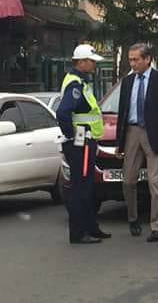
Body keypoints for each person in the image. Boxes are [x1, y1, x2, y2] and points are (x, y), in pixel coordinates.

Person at [116, 43, 158, 243]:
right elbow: (122, 113)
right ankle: (133, 218)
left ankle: (157, 226)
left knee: (156, 182)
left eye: (136, 59)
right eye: (130, 59)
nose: (132, 63)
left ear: (147, 59)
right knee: (128, 180)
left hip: (154, 135)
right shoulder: (127, 82)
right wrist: (119, 142)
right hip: (132, 132)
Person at [56, 44, 111, 244]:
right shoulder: (75, 85)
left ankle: (91, 228)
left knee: (87, 187)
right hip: (81, 143)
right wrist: (72, 136)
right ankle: (79, 233)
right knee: (81, 188)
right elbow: (62, 113)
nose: (94, 66)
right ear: (81, 62)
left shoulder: (79, 81)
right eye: (92, 62)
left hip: (86, 142)